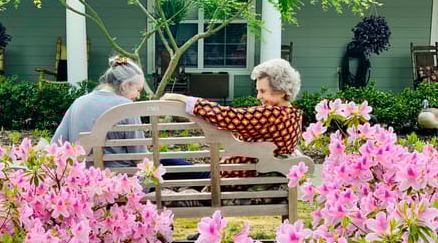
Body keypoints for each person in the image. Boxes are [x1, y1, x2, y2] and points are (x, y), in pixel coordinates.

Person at [51, 55, 209, 180]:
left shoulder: (78, 102)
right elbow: (140, 158)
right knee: (171, 163)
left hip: (84, 180)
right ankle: (210, 178)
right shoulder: (125, 107)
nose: (138, 95)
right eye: (138, 90)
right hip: (124, 183)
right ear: (125, 85)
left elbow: (56, 145)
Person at [162, 58, 302, 178]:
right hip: (238, 176)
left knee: (162, 162)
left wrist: (182, 98)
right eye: (258, 91)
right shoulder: (293, 116)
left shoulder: (274, 114)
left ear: (282, 91)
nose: (258, 97)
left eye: (263, 91)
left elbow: (227, 116)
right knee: (173, 165)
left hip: (228, 179)